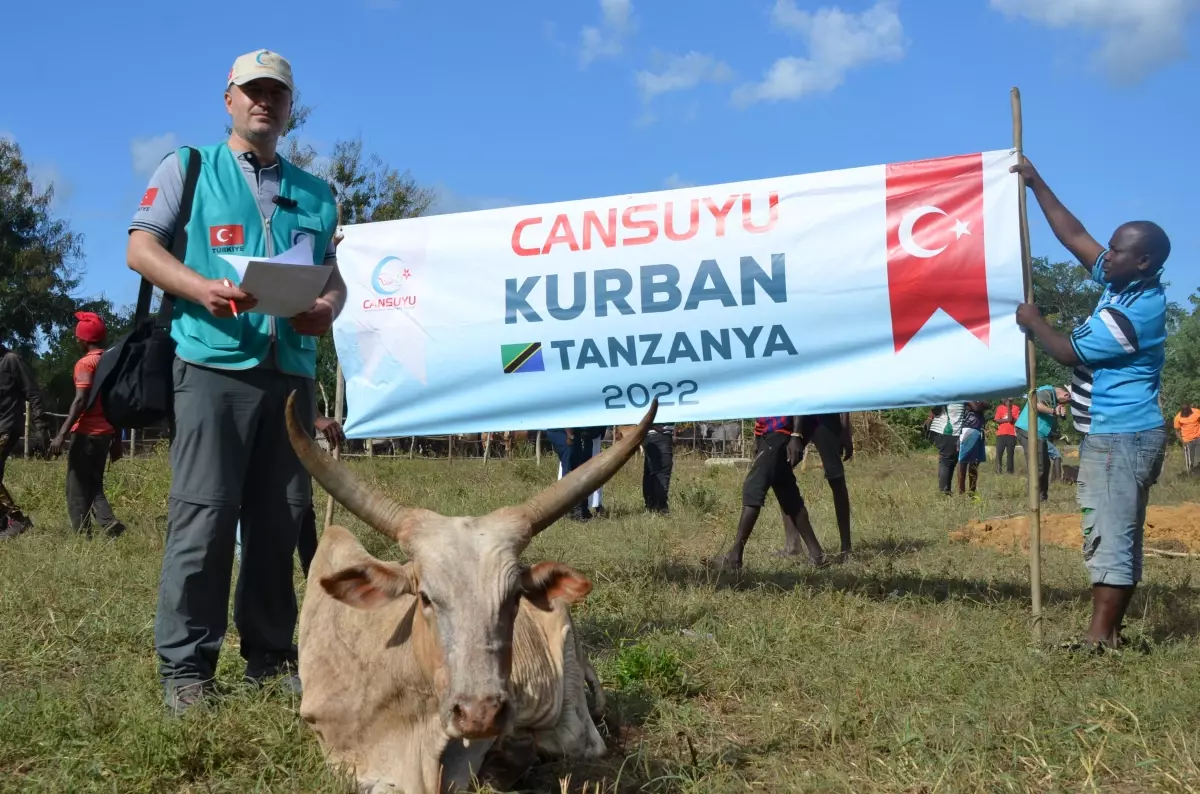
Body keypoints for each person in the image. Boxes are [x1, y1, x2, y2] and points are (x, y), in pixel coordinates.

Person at [126, 48, 344, 714]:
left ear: (289, 106)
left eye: (276, 93)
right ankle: (187, 670)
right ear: (228, 99)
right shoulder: (189, 167)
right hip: (211, 365)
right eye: (252, 91)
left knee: (282, 521)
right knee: (205, 517)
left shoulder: (317, 192)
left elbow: (332, 278)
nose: (264, 103)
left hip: (291, 376)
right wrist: (199, 288)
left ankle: (272, 657)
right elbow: (141, 246)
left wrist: (325, 311)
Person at [1012, 159, 1169, 652]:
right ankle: (1109, 633)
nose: (1108, 252)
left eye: (1118, 249)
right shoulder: (1123, 282)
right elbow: (1075, 235)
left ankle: (1100, 641)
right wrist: (1036, 183)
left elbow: (1064, 351)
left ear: (1142, 260)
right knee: (1115, 526)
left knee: (1110, 530)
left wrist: (1033, 321)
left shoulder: (1131, 313)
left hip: (1120, 436)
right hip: (1120, 433)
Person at [710, 415, 827, 571]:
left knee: (753, 488)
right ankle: (816, 554)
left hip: (782, 432)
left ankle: (734, 556)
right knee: (787, 492)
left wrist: (796, 435)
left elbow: (797, 397)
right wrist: (758, 437)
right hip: (772, 432)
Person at [48, 312, 127, 538]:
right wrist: (117, 439)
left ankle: (83, 537)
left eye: (77, 338)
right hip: (106, 434)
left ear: (83, 340)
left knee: (76, 488)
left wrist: (61, 434)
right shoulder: (114, 362)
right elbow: (118, 403)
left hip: (85, 433)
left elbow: (81, 400)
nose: (76, 341)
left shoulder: (86, 363)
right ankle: (109, 523)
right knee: (93, 483)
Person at [0, 343, 51, 540]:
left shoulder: (12, 360)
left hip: (7, 426)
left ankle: (17, 519)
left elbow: (34, 394)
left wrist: (42, 427)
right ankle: (6, 522)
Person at [799, 413, 853, 561]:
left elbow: (843, 399)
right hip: (798, 415)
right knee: (780, 472)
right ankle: (792, 545)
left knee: (836, 479)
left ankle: (846, 547)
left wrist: (846, 430)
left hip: (825, 418)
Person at [1014, 385, 1070, 502]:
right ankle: (1036, 499)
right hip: (1030, 431)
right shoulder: (1047, 391)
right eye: (1068, 401)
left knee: (1044, 465)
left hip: (1039, 434)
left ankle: (1042, 497)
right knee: (1038, 466)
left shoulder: (1052, 399)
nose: (1067, 404)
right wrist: (1054, 411)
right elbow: (1035, 404)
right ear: (1066, 395)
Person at [955, 401, 989, 496]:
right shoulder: (969, 392)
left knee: (975, 463)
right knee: (963, 461)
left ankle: (972, 492)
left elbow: (987, 405)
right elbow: (976, 408)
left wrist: (980, 405)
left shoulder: (981, 395)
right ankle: (961, 493)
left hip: (979, 430)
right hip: (968, 429)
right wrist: (980, 405)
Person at [927, 404, 962, 494]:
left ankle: (947, 489)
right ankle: (944, 491)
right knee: (946, 461)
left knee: (952, 460)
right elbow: (935, 409)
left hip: (953, 431)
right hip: (946, 430)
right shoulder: (948, 393)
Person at [642, 422, 674, 514]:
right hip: (659, 432)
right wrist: (654, 426)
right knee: (663, 469)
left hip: (649, 433)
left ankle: (651, 505)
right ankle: (661, 508)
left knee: (651, 470)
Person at [993, 398, 1018, 474]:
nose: (1003, 400)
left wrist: (1008, 407)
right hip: (1001, 434)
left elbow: (1011, 419)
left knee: (1010, 454)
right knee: (999, 453)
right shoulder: (999, 408)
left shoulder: (1015, 407)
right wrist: (1007, 420)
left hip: (1011, 434)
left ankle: (1010, 472)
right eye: (1002, 399)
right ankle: (998, 471)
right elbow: (997, 420)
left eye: (1005, 398)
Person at [1173, 404, 1200, 474]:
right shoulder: (1178, 418)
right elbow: (1177, 431)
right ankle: (1190, 474)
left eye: (1187, 411)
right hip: (1187, 440)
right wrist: (1182, 441)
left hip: (1198, 437)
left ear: (1189, 409)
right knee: (1190, 460)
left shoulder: (1197, 412)